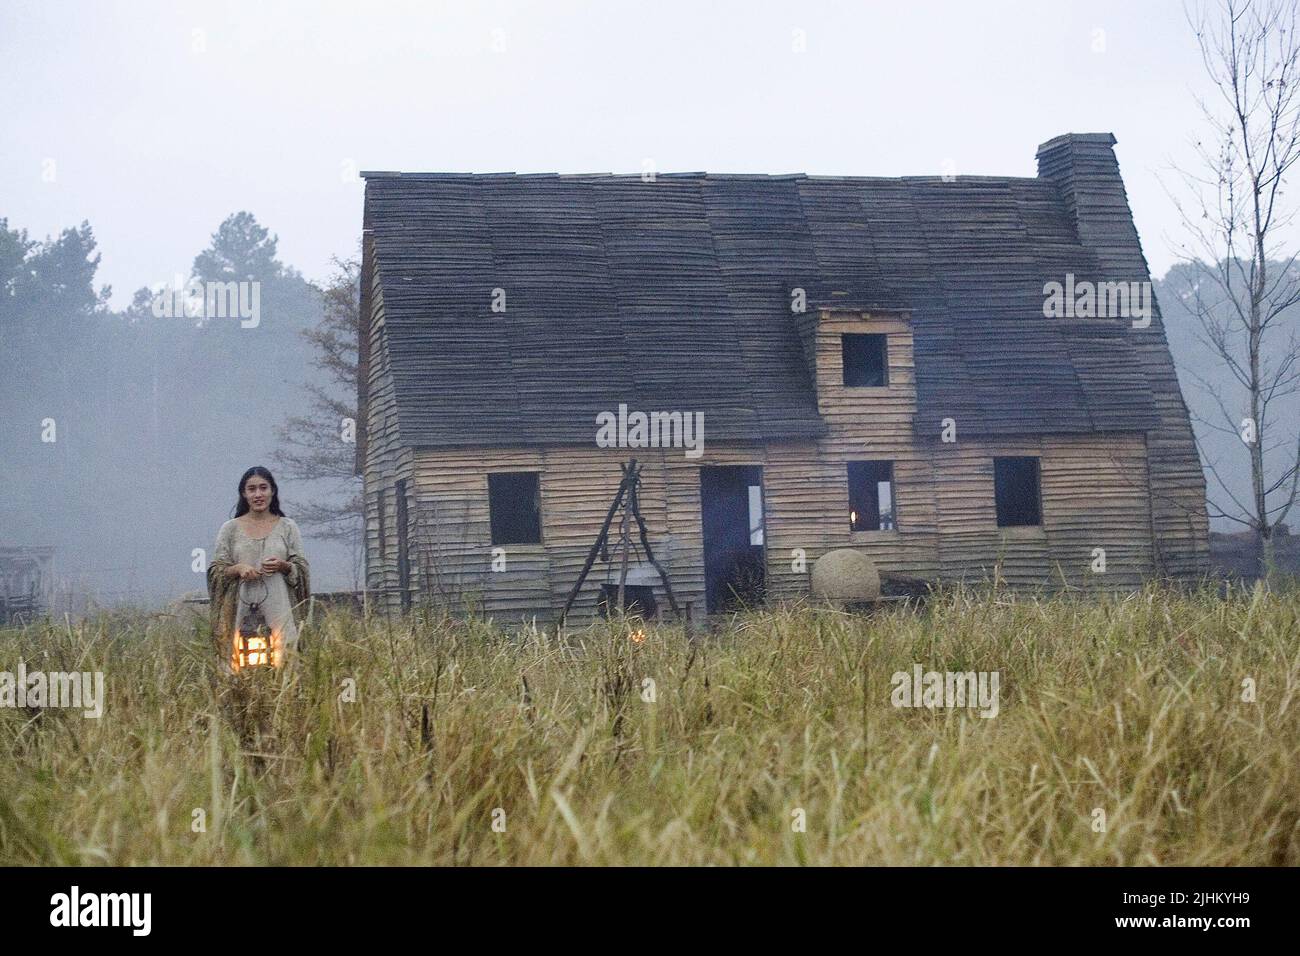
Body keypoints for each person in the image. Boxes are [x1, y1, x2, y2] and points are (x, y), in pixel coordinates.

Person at [206, 466, 310, 672]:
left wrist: (285, 566)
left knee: (285, 662)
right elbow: (216, 571)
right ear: (244, 494)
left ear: (272, 491)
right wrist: (238, 568)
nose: (258, 494)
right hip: (239, 610)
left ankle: (285, 701)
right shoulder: (230, 529)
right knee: (236, 666)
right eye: (252, 489)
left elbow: (302, 569)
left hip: (280, 609)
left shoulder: (288, 527)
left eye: (263, 488)